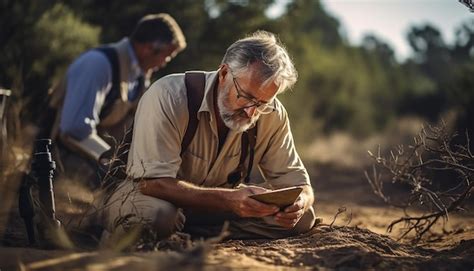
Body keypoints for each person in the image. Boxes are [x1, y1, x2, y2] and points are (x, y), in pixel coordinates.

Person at [101, 31, 316, 242]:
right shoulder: (169, 96)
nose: (252, 112)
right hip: (151, 197)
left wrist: (300, 202)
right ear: (223, 74)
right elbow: (152, 184)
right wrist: (230, 200)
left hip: (215, 206)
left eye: (262, 103)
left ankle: (187, 234)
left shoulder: (273, 115)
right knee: (158, 216)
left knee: (304, 219)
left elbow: (300, 185)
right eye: (246, 97)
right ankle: (123, 232)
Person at [50, 13, 186, 165]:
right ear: (149, 48)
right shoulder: (98, 64)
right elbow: (74, 129)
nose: (165, 63)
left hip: (93, 160)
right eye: (167, 56)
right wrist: (114, 164)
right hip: (58, 160)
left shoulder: (139, 78)